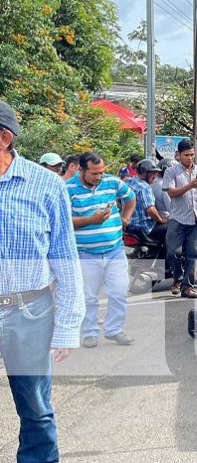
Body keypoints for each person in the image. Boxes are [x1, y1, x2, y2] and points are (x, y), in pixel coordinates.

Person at [0, 101, 85, 463]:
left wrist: (67, 326)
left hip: (30, 312)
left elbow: (65, 260)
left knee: (35, 409)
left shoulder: (46, 185)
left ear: (4, 138)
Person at [66, 152, 136, 348]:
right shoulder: (68, 189)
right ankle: (89, 332)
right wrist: (91, 220)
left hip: (114, 250)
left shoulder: (112, 182)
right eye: (94, 173)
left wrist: (126, 217)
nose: (99, 177)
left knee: (120, 291)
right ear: (81, 170)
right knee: (89, 296)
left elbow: (131, 197)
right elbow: (64, 221)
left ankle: (114, 329)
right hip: (85, 253)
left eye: (101, 172)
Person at [163, 139, 197, 299]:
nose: (190, 158)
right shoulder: (171, 172)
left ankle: (187, 287)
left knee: (193, 254)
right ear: (178, 155)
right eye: (186, 155)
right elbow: (171, 193)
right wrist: (190, 186)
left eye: (192, 155)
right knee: (173, 252)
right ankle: (177, 278)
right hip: (178, 218)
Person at [126, 159, 169, 244]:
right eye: (152, 173)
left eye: (156, 173)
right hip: (145, 227)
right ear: (144, 173)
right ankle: (168, 255)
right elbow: (150, 210)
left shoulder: (129, 182)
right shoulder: (145, 187)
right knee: (176, 227)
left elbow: (119, 202)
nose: (155, 176)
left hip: (130, 226)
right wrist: (161, 220)